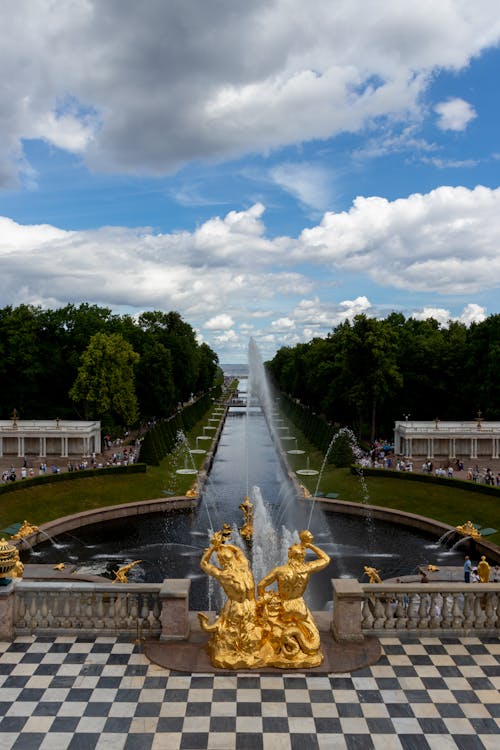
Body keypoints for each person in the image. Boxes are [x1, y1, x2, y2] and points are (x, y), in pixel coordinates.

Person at [257, 530, 330, 666]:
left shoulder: (280, 571)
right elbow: (326, 559)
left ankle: (284, 648)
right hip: (299, 605)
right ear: (302, 556)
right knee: (310, 633)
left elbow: (261, 585)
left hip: (284, 607)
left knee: (279, 626)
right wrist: (309, 546)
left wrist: (265, 599)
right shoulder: (307, 568)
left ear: (290, 555)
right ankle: (297, 647)